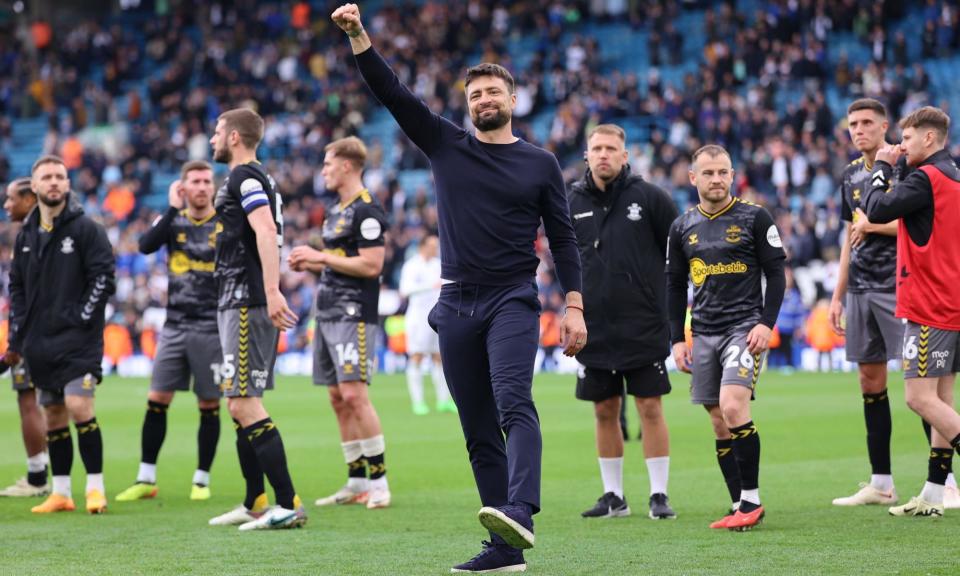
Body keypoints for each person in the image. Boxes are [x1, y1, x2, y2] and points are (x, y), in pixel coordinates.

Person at [333, 4, 586, 572]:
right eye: (475, 96)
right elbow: (393, 95)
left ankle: (519, 510)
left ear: (513, 100)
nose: (483, 101)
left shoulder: (541, 163)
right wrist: (358, 37)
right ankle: (504, 550)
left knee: (514, 402)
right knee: (475, 425)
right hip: (455, 305)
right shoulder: (447, 145)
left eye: (493, 92)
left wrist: (573, 306)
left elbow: (565, 242)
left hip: (512, 299)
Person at [666, 145, 786, 531]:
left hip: (744, 329)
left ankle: (751, 501)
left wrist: (766, 323)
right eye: (708, 173)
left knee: (733, 407)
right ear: (693, 178)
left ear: (732, 175)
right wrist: (677, 339)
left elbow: (777, 274)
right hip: (702, 333)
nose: (716, 179)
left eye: (723, 172)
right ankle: (738, 504)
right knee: (719, 422)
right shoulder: (682, 226)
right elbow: (673, 285)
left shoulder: (754, 217)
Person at [567, 123, 678, 520]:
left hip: (643, 323)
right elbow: (564, 259)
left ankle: (658, 494)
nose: (603, 154)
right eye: (596, 148)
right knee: (603, 409)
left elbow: (679, 249)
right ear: (586, 154)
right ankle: (613, 495)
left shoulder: (649, 197)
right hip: (593, 327)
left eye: (611, 148)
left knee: (650, 407)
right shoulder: (571, 200)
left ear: (625, 155)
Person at [205, 108, 305, 530]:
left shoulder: (243, 177)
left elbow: (265, 231)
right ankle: (254, 501)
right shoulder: (254, 177)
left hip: (247, 301)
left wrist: (270, 291)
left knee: (245, 402)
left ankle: (287, 504)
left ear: (232, 137)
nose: (211, 140)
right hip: (236, 299)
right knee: (236, 403)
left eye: (215, 133)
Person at [861, 106, 960, 517]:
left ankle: (938, 492)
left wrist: (881, 168)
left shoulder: (926, 178)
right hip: (952, 299)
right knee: (941, 397)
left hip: (929, 303)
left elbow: (876, 209)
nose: (901, 145)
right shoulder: (952, 175)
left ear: (930, 139)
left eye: (907, 138)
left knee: (919, 399)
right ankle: (935, 495)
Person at [7, 155, 116, 514]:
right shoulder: (26, 235)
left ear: (67, 184)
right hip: (40, 342)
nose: (54, 182)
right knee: (53, 415)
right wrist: (19, 338)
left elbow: (103, 278)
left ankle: (95, 488)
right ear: (34, 186)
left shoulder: (87, 229)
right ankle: (62, 492)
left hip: (78, 340)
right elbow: (18, 288)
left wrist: (82, 318)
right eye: (46, 177)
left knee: (78, 405)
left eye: (60, 176)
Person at [287, 136, 392, 510]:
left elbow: (371, 265)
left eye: (328, 164)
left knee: (354, 395)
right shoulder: (336, 211)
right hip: (327, 310)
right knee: (336, 397)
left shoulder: (367, 211)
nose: (324, 170)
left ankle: (379, 483)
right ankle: (356, 479)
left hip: (353, 313)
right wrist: (310, 261)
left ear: (347, 165)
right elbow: (336, 257)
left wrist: (322, 258)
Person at [115, 161, 223, 503]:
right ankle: (146, 478)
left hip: (211, 325)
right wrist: (172, 207)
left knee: (209, 403)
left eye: (207, 181)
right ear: (183, 187)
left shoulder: (224, 223)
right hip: (174, 324)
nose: (203, 187)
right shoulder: (173, 219)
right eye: (195, 181)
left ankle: (201, 480)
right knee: (157, 398)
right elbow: (146, 245)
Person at [829, 98, 909, 507]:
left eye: (866, 123)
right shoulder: (850, 174)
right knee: (869, 382)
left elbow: (920, 226)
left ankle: (944, 481)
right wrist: (837, 294)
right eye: (853, 124)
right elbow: (850, 236)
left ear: (884, 126)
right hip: (860, 288)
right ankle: (881, 483)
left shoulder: (904, 165)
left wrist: (872, 223)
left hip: (900, 286)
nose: (858, 130)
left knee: (922, 385)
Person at [0, 177, 49, 498]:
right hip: (50, 330)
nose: (6, 205)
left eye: (11, 198)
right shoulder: (41, 231)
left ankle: (37, 478)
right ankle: (53, 477)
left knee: (29, 400)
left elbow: (26, 294)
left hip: (34, 333)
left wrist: (15, 342)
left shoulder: (33, 235)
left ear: (30, 199)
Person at [398, 234, 454, 415]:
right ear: (422, 246)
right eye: (431, 245)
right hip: (417, 317)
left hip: (437, 316)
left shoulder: (438, 264)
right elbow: (404, 290)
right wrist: (430, 285)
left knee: (440, 357)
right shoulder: (411, 265)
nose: (435, 248)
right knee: (417, 356)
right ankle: (418, 402)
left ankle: (443, 400)